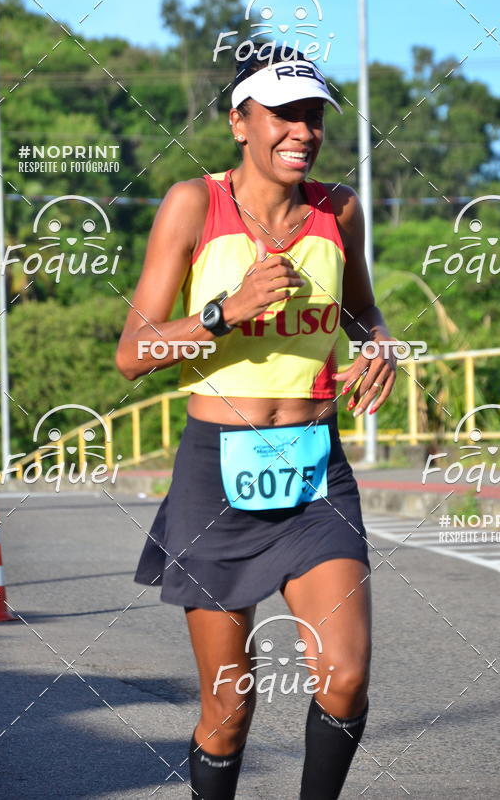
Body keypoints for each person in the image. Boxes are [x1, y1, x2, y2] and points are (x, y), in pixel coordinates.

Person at [116, 45, 397, 799]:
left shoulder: (339, 210)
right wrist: (223, 312)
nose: (302, 130)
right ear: (240, 121)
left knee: (345, 677)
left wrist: (380, 343)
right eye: (283, 113)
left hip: (314, 469)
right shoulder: (192, 205)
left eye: (313, 114)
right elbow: (134, 352)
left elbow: (362, 308)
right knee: (228, 706)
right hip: (217, 473)